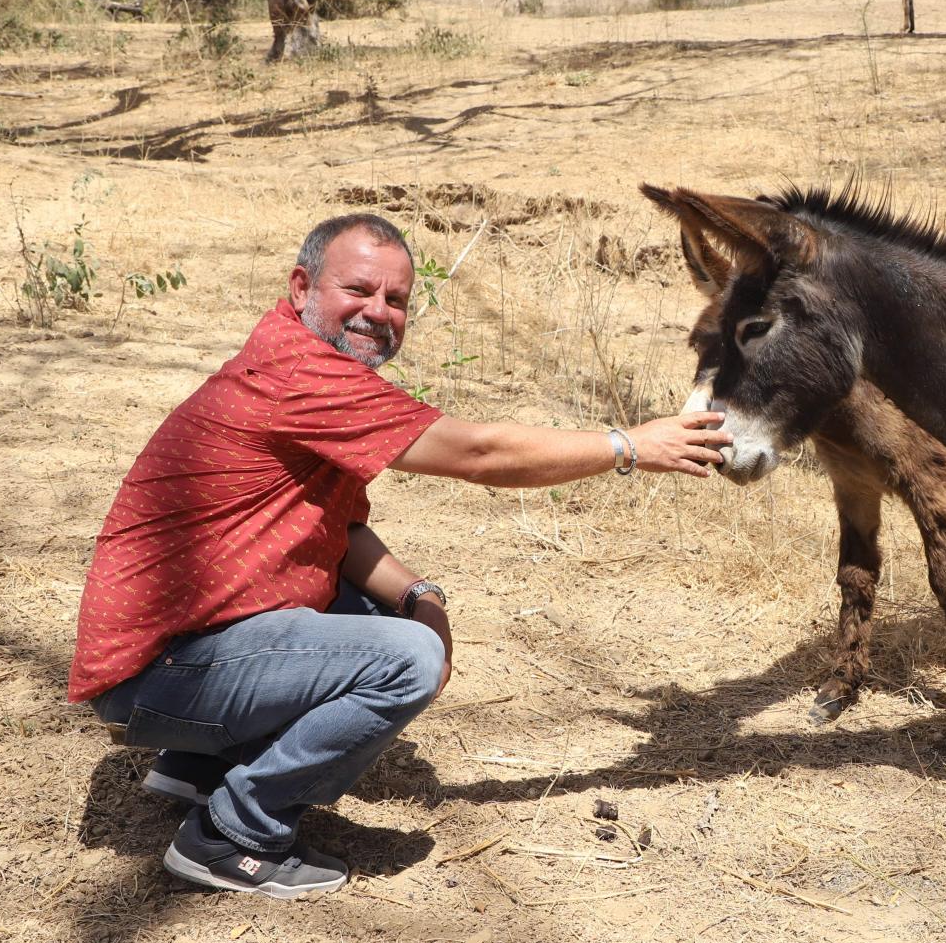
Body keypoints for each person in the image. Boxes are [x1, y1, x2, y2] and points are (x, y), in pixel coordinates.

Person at [74, 213, 729, 899]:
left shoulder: (295, 361)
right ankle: (232, 834)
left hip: (182, 655)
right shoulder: (301, 375)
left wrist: (421, 596)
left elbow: (341, 534)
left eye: (397, 300)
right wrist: (628, 446)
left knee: (378, 612)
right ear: (301, 286)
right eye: (357, 289)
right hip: (157, 674)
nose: (378, 312)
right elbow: (480, 454)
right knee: (404, 659)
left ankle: (197, 765)